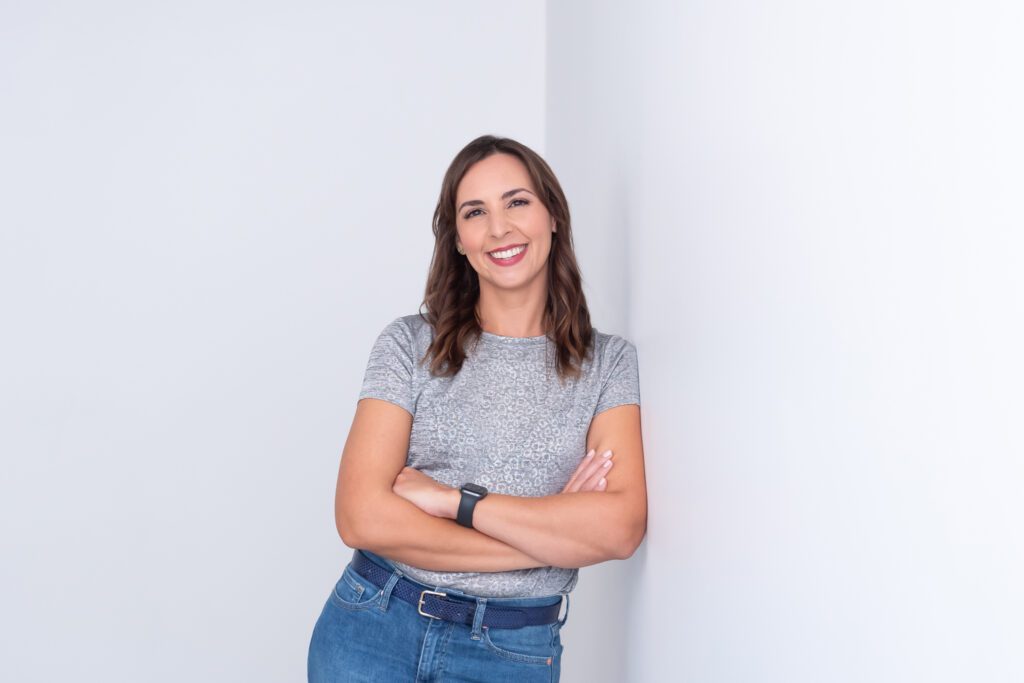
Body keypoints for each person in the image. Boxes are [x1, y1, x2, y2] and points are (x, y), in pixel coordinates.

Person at [307, 134, 647, 682]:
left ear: (553, 216)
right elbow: (360, 517)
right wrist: (549, 540)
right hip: (373, 629)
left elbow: (620, 528)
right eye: (475, 212)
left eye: (517, 202)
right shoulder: (408, 345)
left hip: (511, 653)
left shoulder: (608, 364)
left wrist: (452, 502)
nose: (498, 228)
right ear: (459, 240)